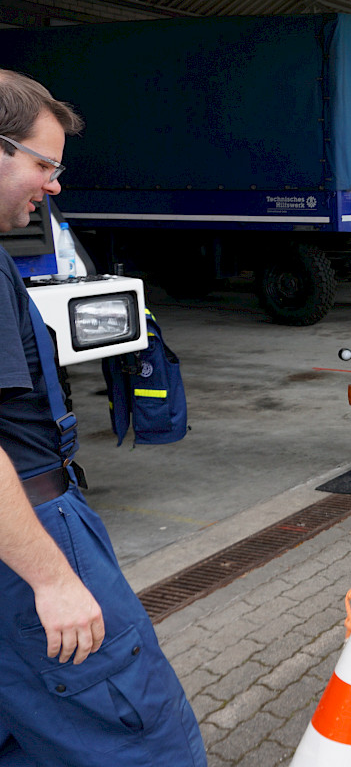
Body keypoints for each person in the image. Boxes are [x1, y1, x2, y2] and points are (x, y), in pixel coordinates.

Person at [0, 69, 206, 765]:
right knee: (143, 740)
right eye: (43, 164)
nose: (54, 185)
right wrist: (54, 579)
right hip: (31, 535)